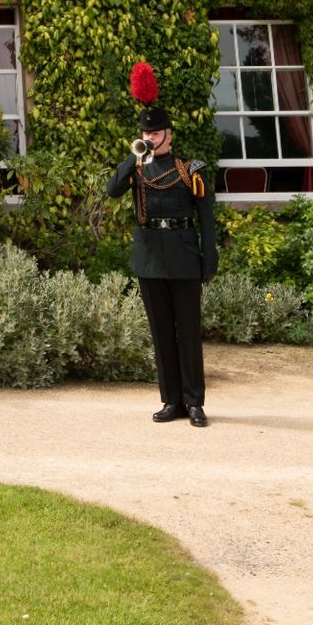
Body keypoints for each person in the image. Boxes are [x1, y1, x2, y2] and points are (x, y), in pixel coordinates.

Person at [107, 62, 219, 427]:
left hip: (185, 254)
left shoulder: (192, 169)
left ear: (169, 133)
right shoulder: (137, 169)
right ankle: (171, 400)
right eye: (146, 132)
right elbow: (112, 191)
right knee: (160, 332)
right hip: (151, 257)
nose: (151, 137)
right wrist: (133, 156)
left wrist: (209, 257)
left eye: (156, 133)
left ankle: (194, 402)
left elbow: (206, 218)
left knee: (187, 330)